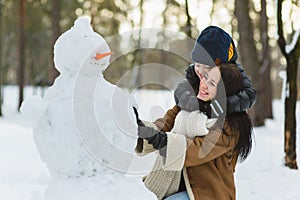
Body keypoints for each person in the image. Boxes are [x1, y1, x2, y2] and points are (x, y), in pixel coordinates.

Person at [134, 64, 254, 200]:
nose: (203, 85)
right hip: (175, 185)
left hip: (208, 193)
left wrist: (162, 141)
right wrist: (139, 127)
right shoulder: (189, 105)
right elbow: (164, 125)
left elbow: (199, 149)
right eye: (205, 78)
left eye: (212, 83)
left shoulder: (231, 125)